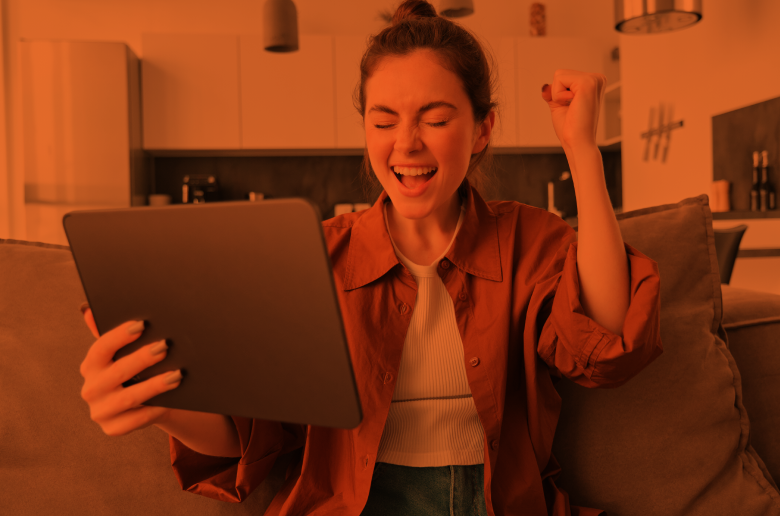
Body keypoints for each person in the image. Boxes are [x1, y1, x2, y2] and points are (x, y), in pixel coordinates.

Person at [78, 1, 663, 514]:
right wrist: (159, 404)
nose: (406, 143)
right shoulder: (313, 257)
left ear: (484, 129)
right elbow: (252, 434)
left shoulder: (532, 239)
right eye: (383, 120)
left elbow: (608, 341)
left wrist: (583, 149)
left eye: (435, 119)